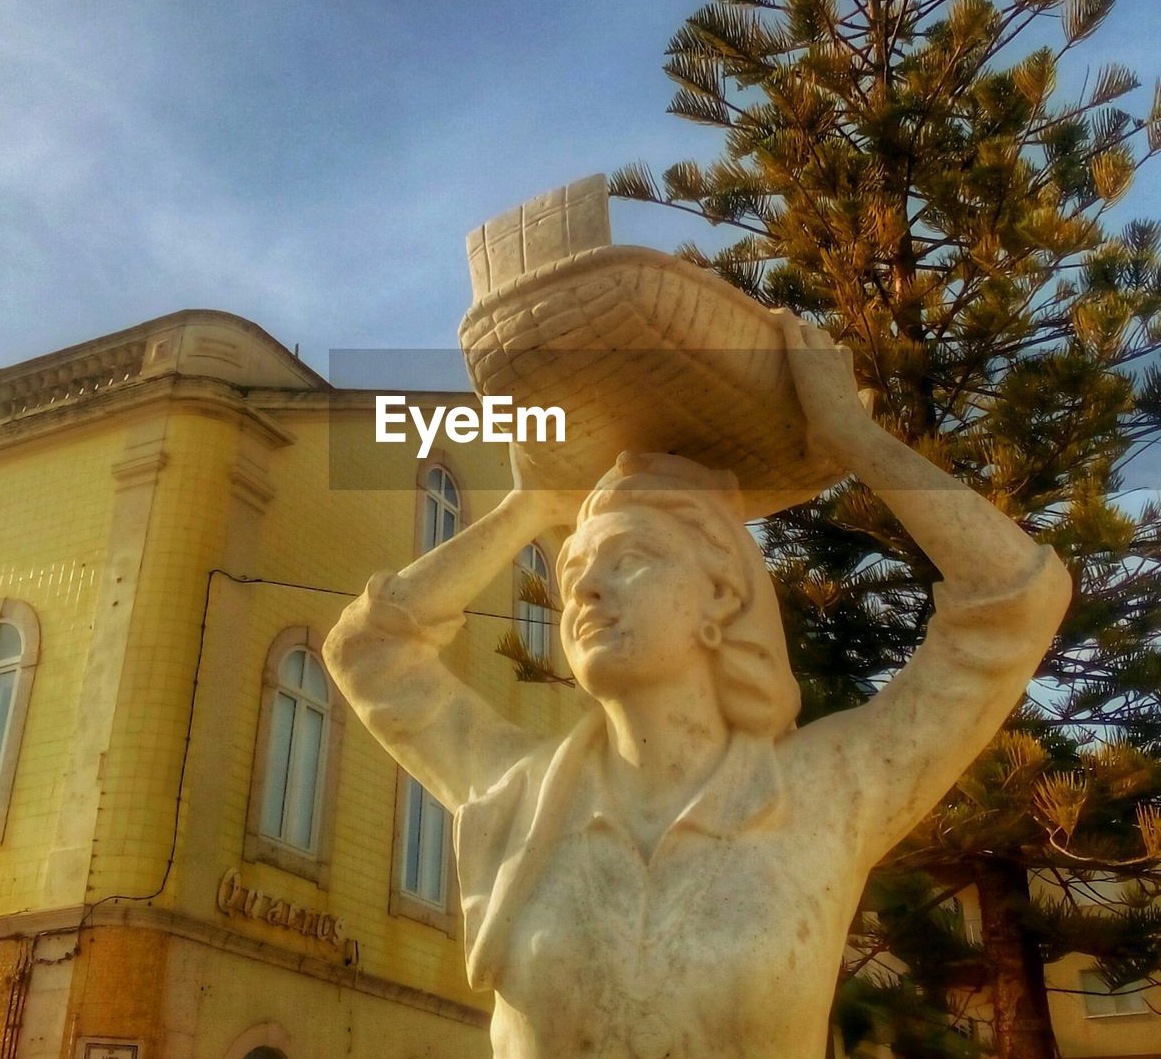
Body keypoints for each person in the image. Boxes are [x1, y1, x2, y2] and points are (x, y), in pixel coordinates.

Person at [323, 316, 1071, 1059]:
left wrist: (856, 439)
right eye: (575, 574)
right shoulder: (514, 797)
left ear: (721, 597)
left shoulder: (827, 792)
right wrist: (529, 509)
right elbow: (368, 650)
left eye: (631, 559)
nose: (585, 593)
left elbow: (1012, 598)